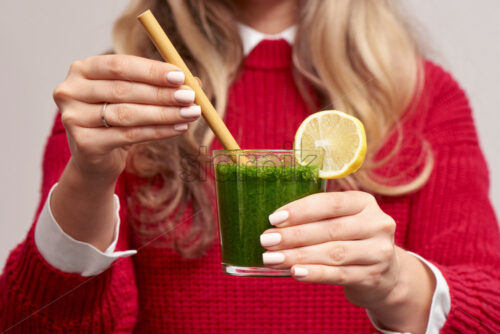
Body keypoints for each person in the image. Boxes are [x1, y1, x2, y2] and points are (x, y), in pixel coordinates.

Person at [1, 0, 499, 333]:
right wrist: (89, 180)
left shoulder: (423, 95)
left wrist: (395, 282)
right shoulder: (123, 98)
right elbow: (33, 323)